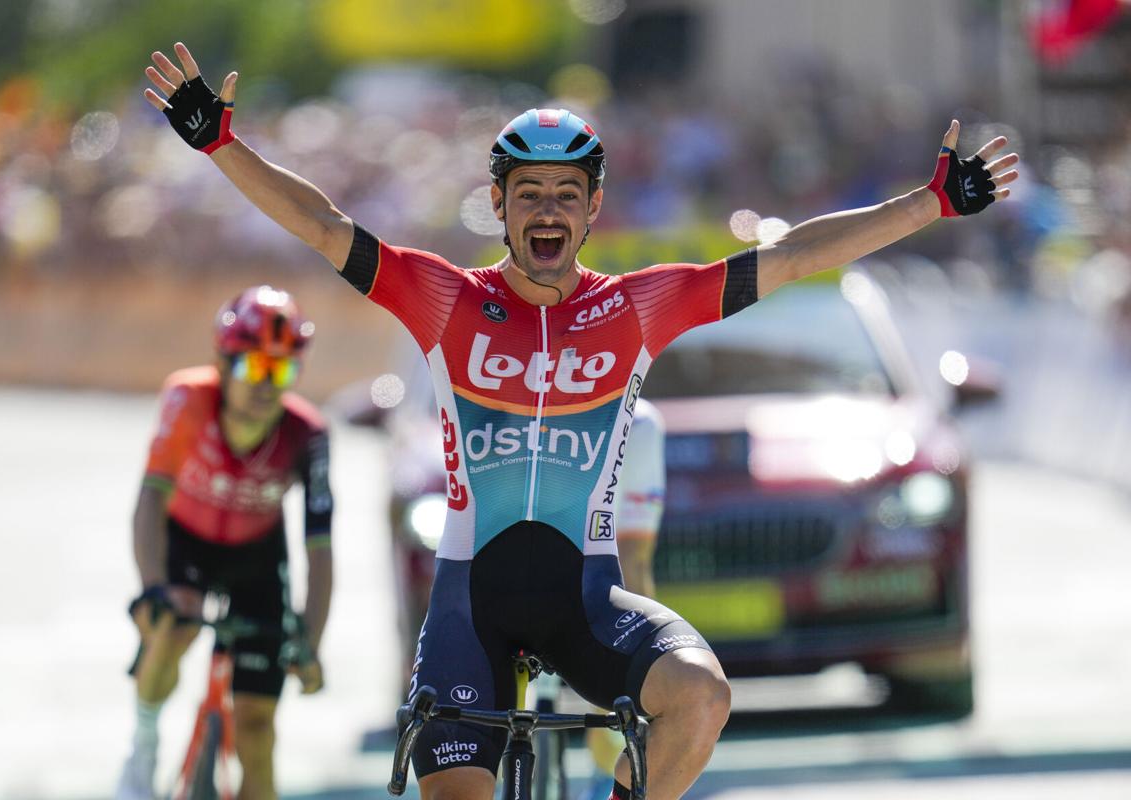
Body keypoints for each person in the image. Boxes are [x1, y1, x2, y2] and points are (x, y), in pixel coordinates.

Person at [141, 42, 1018, 800]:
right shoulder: (445, 298)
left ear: (593, 208)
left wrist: (930, 203)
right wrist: (221, 142)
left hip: (587, 602)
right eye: (529, 193)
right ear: (501, 204)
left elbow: (788, 259)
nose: (549, 210)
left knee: (703, 695)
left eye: (568, 192)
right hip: (470, 606)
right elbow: (325, 225)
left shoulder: (638, 307)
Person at [116, 285, 333, 800]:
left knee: (258, 731)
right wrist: (152, 589)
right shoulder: (187, 398)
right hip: (184, 543)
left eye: (282, 371)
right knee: (175, 621)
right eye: (253, 367)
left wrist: (311, 641)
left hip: (257, 558)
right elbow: (150, 498)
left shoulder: (309, 433)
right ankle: (144, 743)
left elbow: (320, 547)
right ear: (221, 360)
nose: (266, 385)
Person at [587, 398, 666, 789]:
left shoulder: (641, 423)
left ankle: (615, 754)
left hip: (620, 417)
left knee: (628, 566)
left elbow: (634, 562)